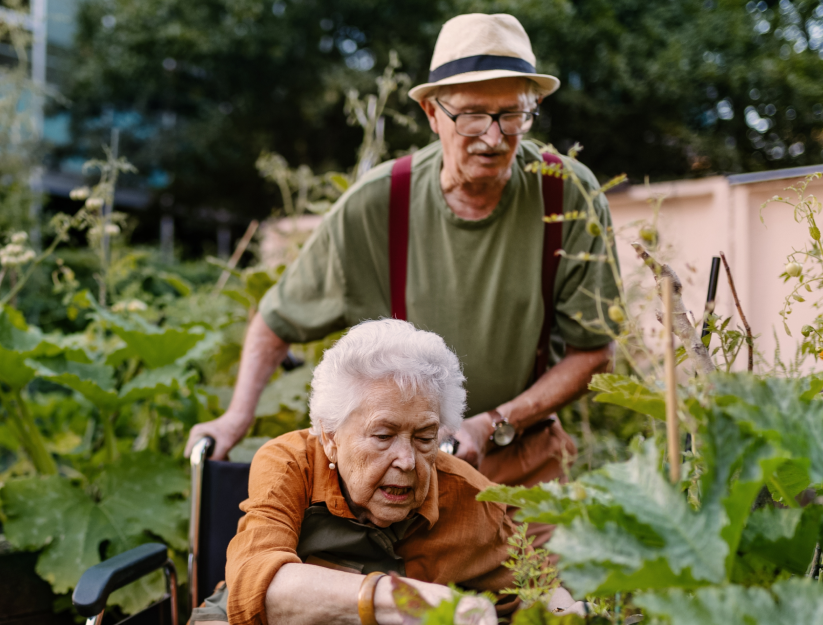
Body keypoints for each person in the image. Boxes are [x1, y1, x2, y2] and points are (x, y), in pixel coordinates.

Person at [187, 13, 619, 489]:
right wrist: (236, 416)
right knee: (388, 569)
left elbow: (594, 352)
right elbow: (276, 321)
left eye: (513, 114)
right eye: (473, 114)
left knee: (546, 567)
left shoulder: (566, 194)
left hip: (522, 457)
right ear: (433, 114)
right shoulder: (377, 205)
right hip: (397, 471)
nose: (494, 138)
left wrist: (494, 422)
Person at [118, 320, 578, 625]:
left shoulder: (475, 503)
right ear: (330, 436)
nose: (407, 461)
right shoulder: (290, 463)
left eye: (424, 438)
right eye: (383, 435)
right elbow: (261, 593)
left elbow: (543, 594)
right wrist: (411, 600)